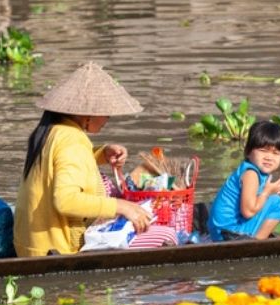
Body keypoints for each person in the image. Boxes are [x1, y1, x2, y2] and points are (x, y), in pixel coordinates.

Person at [14, 61, 176, 257]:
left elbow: (59, 163)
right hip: (54, 250)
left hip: (28, 244)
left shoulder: (52, 131)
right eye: (105, 114)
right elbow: (64, 201)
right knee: (168, 234)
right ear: (86, 114)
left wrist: (101, 153)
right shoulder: (72, 141)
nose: (107, 120)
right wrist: (123, 207)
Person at [208, 120, 280, 241]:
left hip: (222, 230)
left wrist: (266, 194)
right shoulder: (251, 174)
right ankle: (255, 245)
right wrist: (266, 193)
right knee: (278, 204)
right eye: (263, 151)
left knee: (272, 200)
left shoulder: (254, 171)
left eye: (276, 153)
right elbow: (248, 212)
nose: (269, 157)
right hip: (227, 233)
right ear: (249, 152)